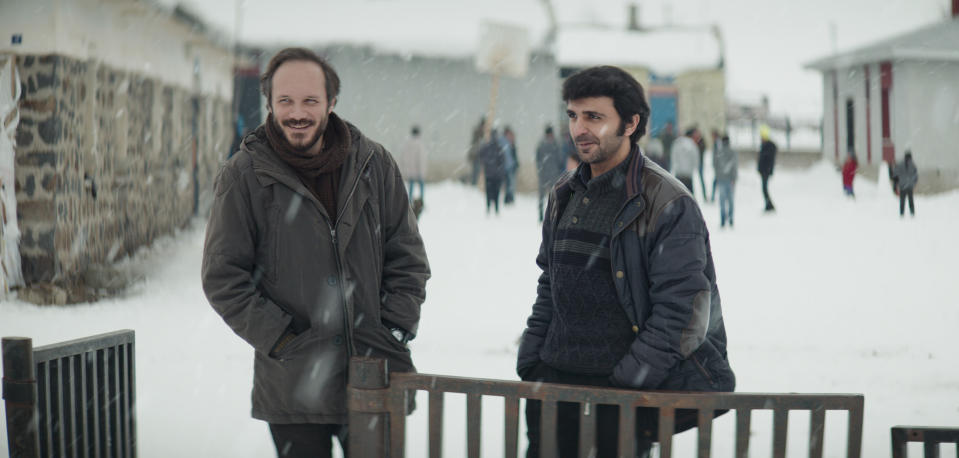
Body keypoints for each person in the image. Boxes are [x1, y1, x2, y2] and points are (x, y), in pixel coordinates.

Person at [201, 47, 430, 458]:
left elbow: (408, 256)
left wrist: (392, 328)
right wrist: (285, 339)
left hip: (374, 372)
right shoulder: (244, 175)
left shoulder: (374, 165)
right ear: (269, 104)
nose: (297, 113)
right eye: (285, 101)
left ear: (331, 103)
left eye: (310, 100)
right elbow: (223, 277)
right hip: (294, 385)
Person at [517, 65, 735, 457]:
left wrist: (627, 382)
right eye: (573, 115)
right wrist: (533, 359)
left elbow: (681, 311)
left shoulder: (667, 202)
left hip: (622, 399)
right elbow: (550, 282)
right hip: (552, 390)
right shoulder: (564, 193)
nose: (579, 128)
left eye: (594, 117)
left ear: (631, 123)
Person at [535, 125, 566, 222]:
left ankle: (543, 216)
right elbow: (561, 159)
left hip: (545, 174)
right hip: (553, 174)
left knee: (544, 196)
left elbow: (538, 159)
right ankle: (551, 216)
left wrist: (540, 169)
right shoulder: (556, 144)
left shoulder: (541, 144)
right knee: (554, 197)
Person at [480, 127, 507, 215]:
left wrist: (487, 166)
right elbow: (502, 161)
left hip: (490, 174)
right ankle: (495, 209)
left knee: (489, 192)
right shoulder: (498, 148)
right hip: (495, 175)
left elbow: (482, 157)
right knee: (496, 193)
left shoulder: (487, 147)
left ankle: (489, 208)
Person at [713, 133, 738, 228]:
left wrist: (718, 176)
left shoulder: (719, 152)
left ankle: (723, 219)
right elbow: (734, 167)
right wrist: (734, 178)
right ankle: (731, 219)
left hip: (721, 179)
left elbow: (715, 165)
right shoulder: (732, 152)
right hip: (730, 180)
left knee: (722, 200)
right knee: (731, 200)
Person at [399, 125, 428, 204]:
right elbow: (421, 159)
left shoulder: (407, 144)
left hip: (410, 171)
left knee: (411, 186)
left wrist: (404, 169)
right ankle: (421, 200)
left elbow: (403, 158)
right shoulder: (420, 144)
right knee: (421, 186)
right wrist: (422, 171)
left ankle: (410, 201)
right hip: (418, 170)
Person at [670, 127, 700, 194]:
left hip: (679, 173)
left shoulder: (676, 143)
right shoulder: (692, 144)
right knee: (689, 193)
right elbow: (695, 157)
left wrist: (675, 167)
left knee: (679, 193)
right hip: (688, 174)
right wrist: (694, 168)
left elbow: (673, 157)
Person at [757, 125, 777, 212]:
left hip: (766, 171)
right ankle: (768, 204)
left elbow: (766, 159)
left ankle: (769, 205)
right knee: (764, 189)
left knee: (764, 189)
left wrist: (766, 169)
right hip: (764, 171)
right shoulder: (765, 146)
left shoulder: (769, 146)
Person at [894, 151, 918, 217]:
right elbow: (915, 175)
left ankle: (902, 213)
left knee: (902, 201)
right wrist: (914, 183)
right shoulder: (913, 165)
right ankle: (912, 213)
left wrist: (897, 183)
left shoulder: (900, 164)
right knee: (911, 200)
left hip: (902, 185)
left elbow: (896, 174)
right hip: (910, 186)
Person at [503, 126, 519, 205]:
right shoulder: (505, 144)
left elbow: (515, 156)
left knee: (511, 183)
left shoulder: (512, 145)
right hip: (507, 167)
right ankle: (508, 198)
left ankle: (510, 198)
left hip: (512, 166)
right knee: (509, 183)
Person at [467, 116, 486, 185]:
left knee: (476, 172)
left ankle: (473, 183)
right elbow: (477, 144)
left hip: (477, 155)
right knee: (476, 172)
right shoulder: (478, 133)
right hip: (476, 156)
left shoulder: (478, 132)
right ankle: (473, 184)